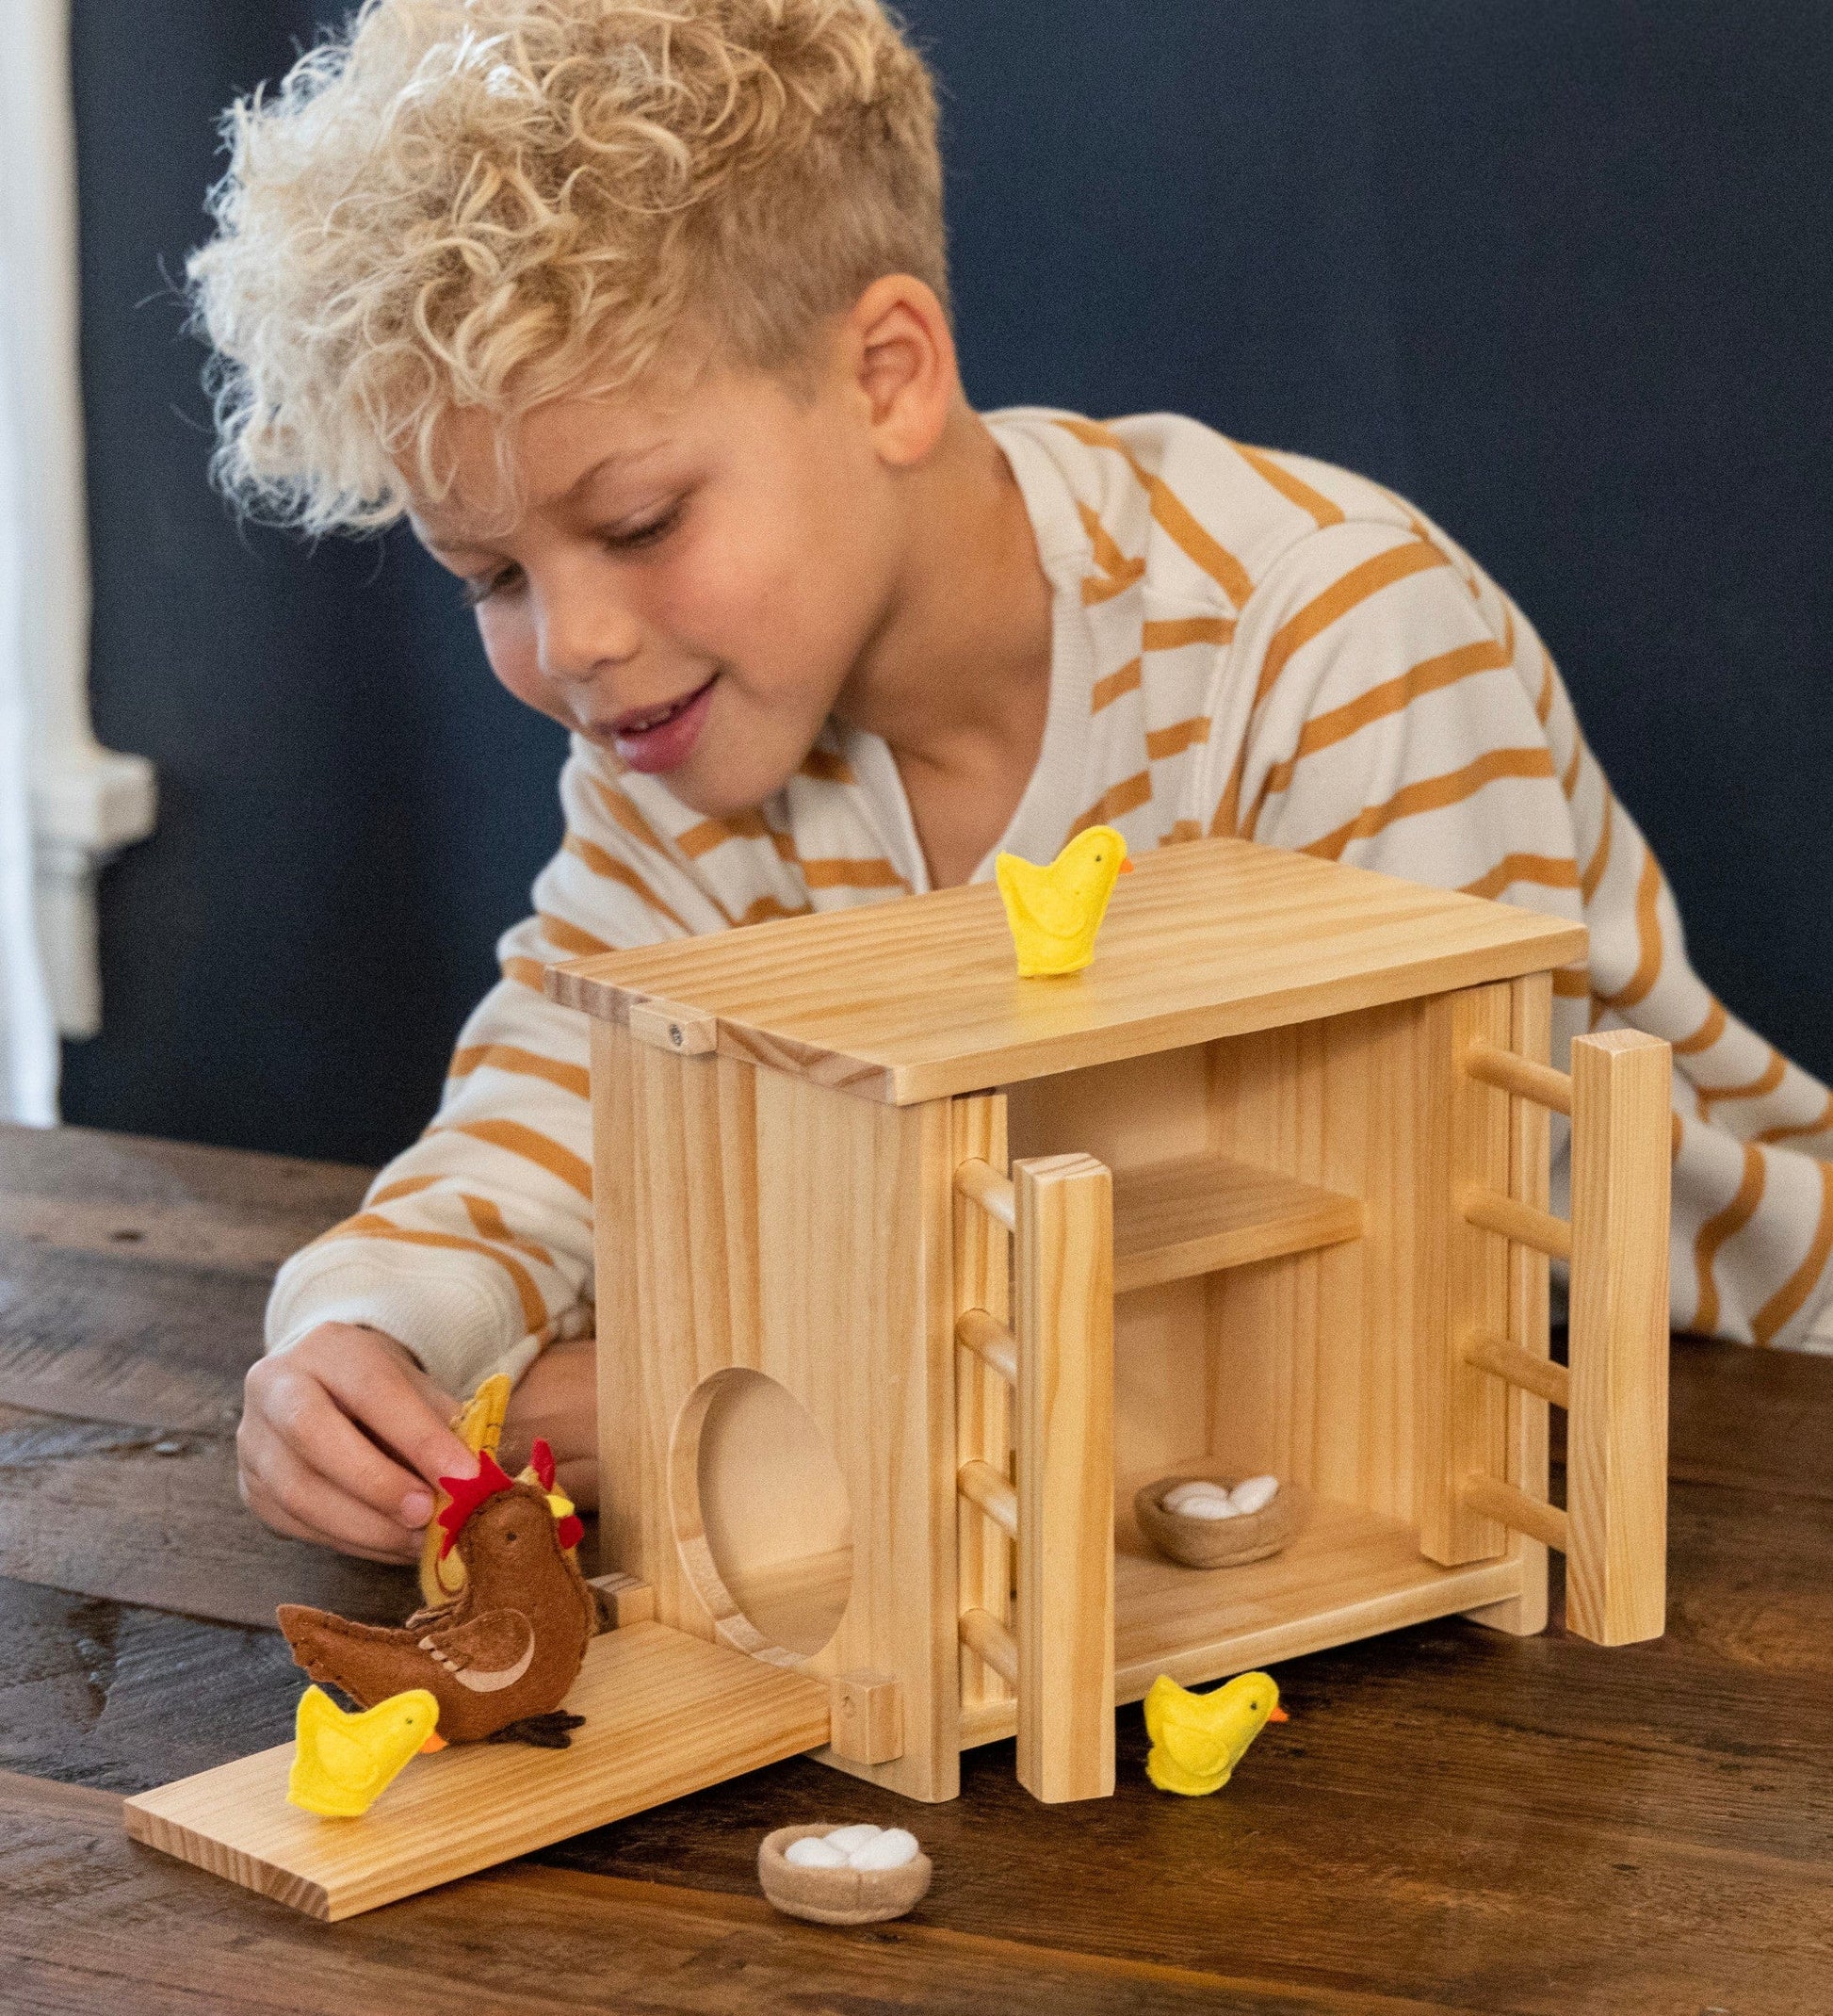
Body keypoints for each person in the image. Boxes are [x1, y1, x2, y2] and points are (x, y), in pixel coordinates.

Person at [187, 0, 1833, 1564]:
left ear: (888, 373)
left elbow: (1389, 1279)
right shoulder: (677, 736)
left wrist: (693, 1390)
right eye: (487, 576)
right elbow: (560, 1114)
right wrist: (371, 1335)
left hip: (1706, 1426)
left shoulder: (1320, 634)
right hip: (1132, 1494)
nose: (577, 643)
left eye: (637, 525)